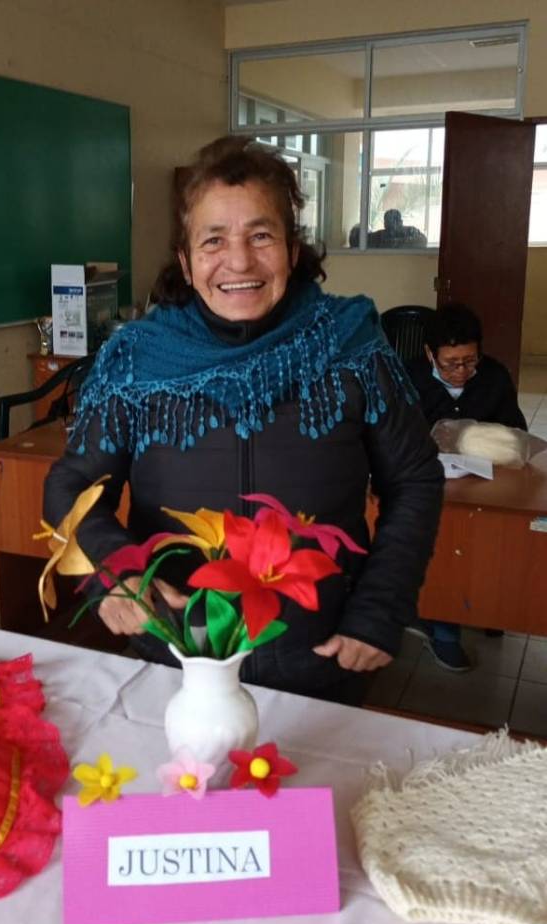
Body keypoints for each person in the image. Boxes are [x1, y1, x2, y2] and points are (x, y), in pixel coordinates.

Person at [44, 135, 444, 705]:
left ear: (293, 250)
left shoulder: (351, 344)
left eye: (261, 236)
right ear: (186, 261)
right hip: (178, 651)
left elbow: (414, 478)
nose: (239, 262)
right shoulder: (136, 358)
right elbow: (72, 483)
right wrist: (113, 570)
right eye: (213, 240)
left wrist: (382, 606)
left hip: (323, 653)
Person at [406, 301, 527, 672]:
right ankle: (444, 630)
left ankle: (487, 608)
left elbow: (516, 437)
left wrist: (483, 442)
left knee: (495, 539)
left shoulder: (494, 377)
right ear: (430, 354)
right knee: (443, 543)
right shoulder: (407, 377)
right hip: (427, 485)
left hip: (484, 484)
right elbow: (391, 436)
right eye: (451, 364)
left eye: (470, 361)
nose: (461, 372)